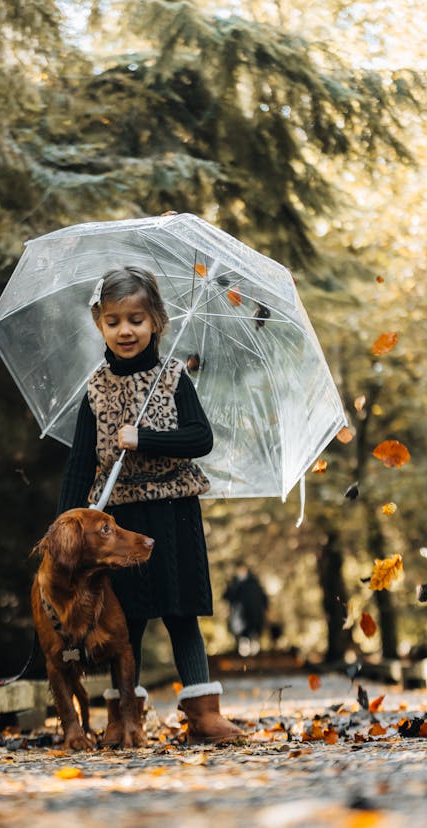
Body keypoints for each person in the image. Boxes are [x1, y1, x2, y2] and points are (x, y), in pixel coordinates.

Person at [57, 266, 243, 744]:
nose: (126, 330)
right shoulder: (95, 391)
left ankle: (204, 714)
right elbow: (80, 464)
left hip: (174, 510)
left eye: (136, 319)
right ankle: (125, 716)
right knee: (125, 617)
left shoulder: (172, 377)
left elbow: (201, 437)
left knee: (181, 612)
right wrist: (64, 526)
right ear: (99, 323)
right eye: (114, 320)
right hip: (120, 521)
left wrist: (145, 438)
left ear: (157, 321)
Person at [223, 564, 268, 657]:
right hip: (239, 613)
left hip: (253, 613)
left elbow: (263, 598)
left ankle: (253, 651)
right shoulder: (235, 583)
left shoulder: (254, 583)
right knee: (242, 632)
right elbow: (228, 596)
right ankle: (245, 652)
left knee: (253, 631)